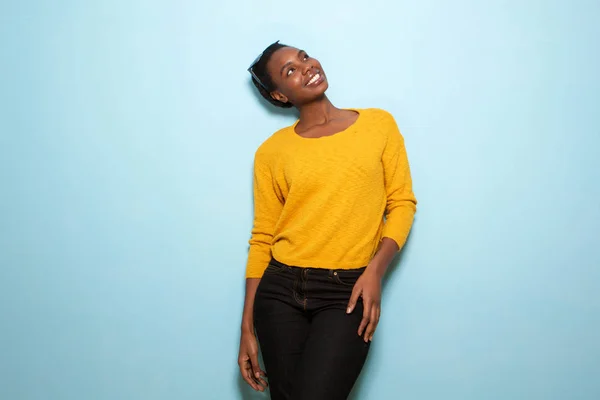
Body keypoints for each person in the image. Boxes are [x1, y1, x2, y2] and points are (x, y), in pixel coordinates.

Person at [237, 40, 417, 400]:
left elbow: (401, 204)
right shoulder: (272, 152)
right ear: (279, 96)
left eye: (303, 57)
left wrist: (374, 272)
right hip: (280, 292)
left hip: (347, 291)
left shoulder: (378, 124)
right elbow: (262, 238)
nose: (305, 67)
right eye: (289, 70)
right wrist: (246, 328)